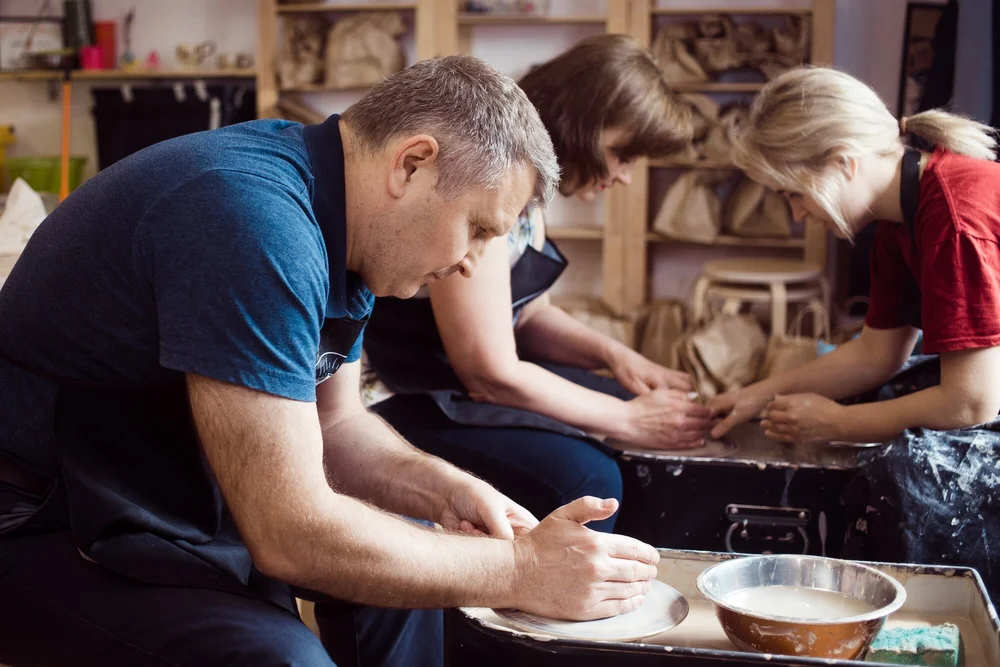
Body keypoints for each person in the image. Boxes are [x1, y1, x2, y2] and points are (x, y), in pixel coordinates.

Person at [0, 56, 662, 667]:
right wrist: (521, 570)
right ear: (412, 164)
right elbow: (289, 532)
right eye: (479, 229)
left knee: (411, 577)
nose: (472, 262)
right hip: (41, 517)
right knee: (286, 659)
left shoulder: (344, 222)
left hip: (157, 490)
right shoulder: (253, 217)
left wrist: (447, 489)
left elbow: (336, 424)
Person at [363, 35, 711, 535]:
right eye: (622, 155)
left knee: (614, 402)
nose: (626, 177)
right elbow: (490, 373)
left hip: (456, 381)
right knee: (590, 477)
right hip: (402, 392)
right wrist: (628, 420)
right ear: (581, 123)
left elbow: (528, 314)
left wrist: (617, 357)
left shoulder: (529, 188)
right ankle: (555, 581)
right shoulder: (490, 182)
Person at [710, 66, 1000, 600]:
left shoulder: (953, 216)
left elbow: (972, 402)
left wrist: (838, 423)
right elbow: (875, 355)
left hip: (984, 393)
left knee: (904, 477)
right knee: (885, 402)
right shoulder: (896, 220)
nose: (797, 214)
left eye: (793, 193)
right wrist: (755, 395)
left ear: (844, 161)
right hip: (983, 386)